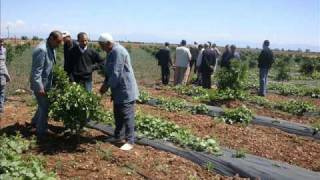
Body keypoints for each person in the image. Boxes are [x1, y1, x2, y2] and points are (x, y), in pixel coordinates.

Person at [99, 33, 139, 151]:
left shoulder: (118, 52)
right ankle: (118, 136)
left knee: (127, 115)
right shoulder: (111, 52)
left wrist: (105, 87)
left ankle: (130, 141)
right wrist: (106, 83)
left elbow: (116, 73)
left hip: (125, 89)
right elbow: (110, 71)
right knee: (118, 114)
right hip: (118, 89)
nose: (101, 48)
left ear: (108, 43)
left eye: (102, 46)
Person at [30, 31, 63, 137]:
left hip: (47, 83)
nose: (59, 45)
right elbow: (36, 72)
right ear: (51, 38)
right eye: (58, 42)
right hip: (41, 85)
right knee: (45, 106)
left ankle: (35, 122)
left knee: (42, 105)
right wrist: (40, 87)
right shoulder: (41, 50)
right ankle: (41, 131)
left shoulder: (51, 47)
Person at [0, 39, 11, 113]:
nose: (1, 44)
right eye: (0, 42)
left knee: (2, 90)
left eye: (2, 42)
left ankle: (1, 107)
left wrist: (6, 74)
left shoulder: (4, 50)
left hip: (2, 73)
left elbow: (4, 62)